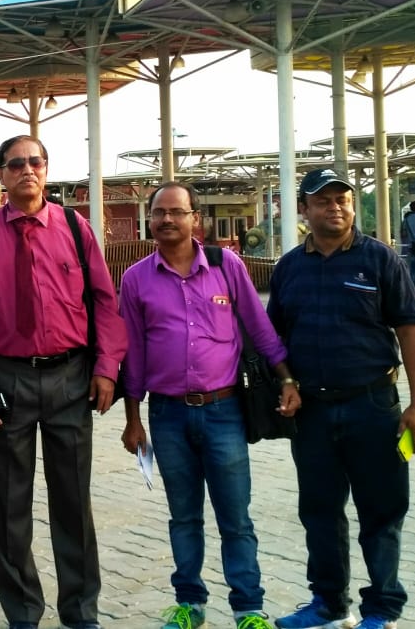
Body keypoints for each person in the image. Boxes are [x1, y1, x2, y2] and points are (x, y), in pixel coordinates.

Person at [0, 134, 128, 629]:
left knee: (73, 501)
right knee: (9, 505)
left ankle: (81, 611)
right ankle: (23, 613)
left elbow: (105, 303)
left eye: (36, 161)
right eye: (16, 164)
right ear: (0, 175)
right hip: (8, 381)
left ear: (46, 169)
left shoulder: (74, 227)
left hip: (72, 378)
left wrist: (106, 368)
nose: (27, 169)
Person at [118, 182, 299, 629]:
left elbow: (260, 329)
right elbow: (133, 354)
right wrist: (133, 419)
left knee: (235, 517)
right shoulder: (136, 279)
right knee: (183, 517)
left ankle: (248, 609)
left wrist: (286, 379)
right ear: (149, 220)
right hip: (167, 415)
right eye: (159, 212)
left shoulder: (226, 265)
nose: (167, 219)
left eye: (176, 212)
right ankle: (190, 604)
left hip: (224, 412)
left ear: (194, 218)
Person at [269, 169, 415, 629]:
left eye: (343, 199)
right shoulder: (290, 268)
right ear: (304, 209)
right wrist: (285, 382)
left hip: (374, 407)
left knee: (382, 511)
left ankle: (382, 609)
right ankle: (328, 604)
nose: (335, 207)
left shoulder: (380, 259)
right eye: (323, 200)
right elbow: (274, 338)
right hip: (313, 412)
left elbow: (411, 332)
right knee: (319, 510)